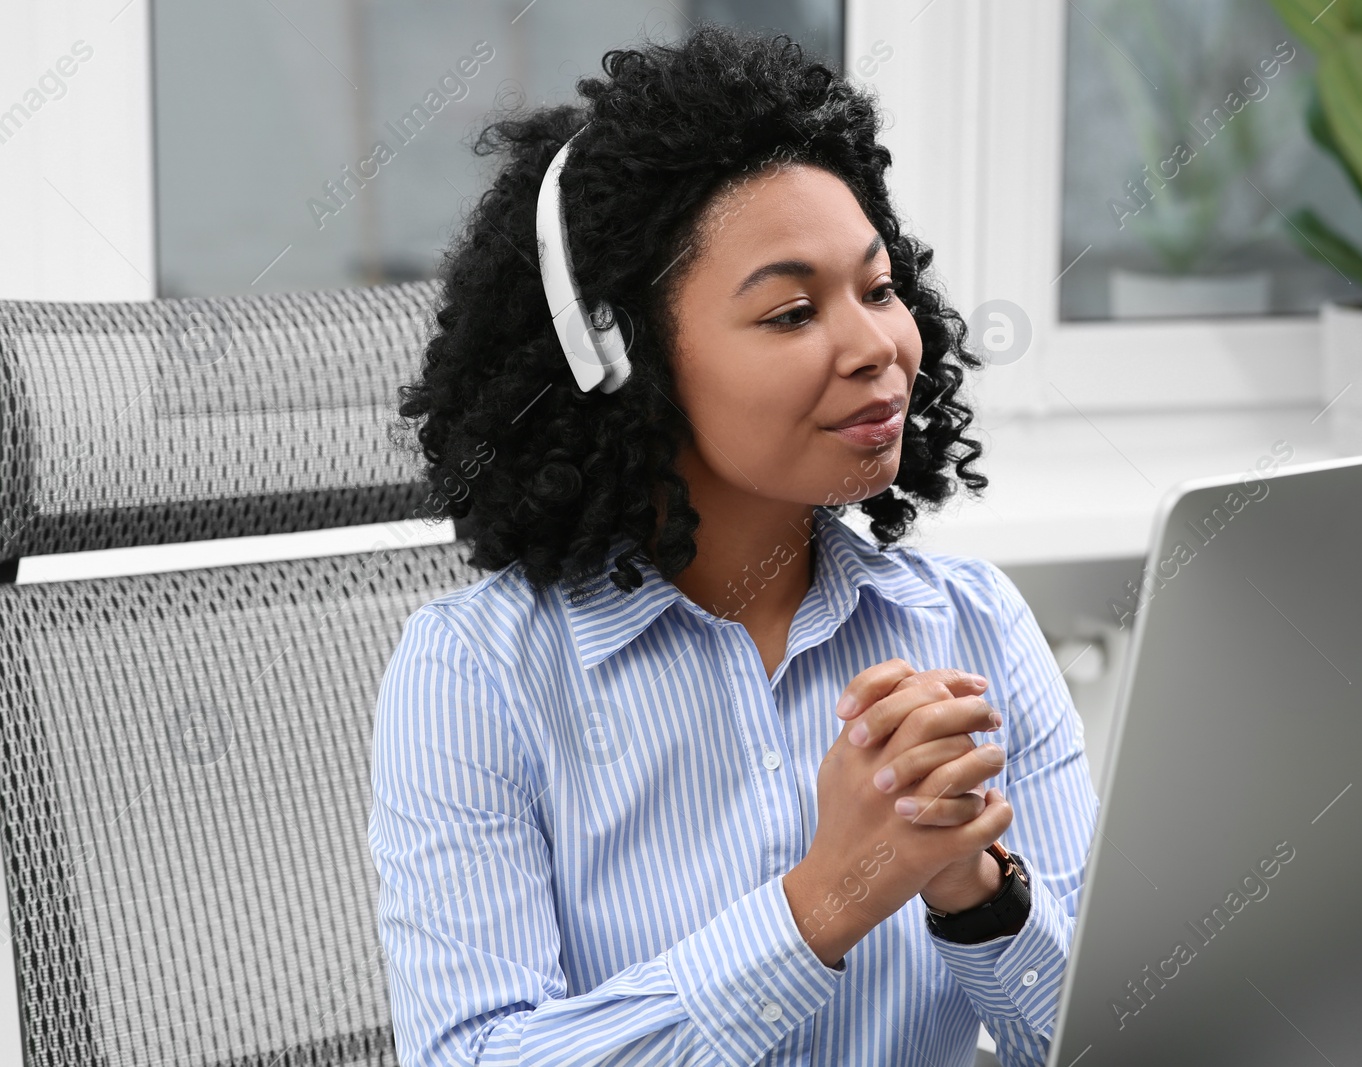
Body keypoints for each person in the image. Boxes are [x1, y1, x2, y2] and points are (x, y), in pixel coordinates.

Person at [368, 23, 1098, 1066]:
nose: (875, 347)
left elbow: (1110, 1036)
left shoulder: (969, 623)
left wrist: (975, 892)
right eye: (792, 311)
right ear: (617, 357)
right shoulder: (479, 677)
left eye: (879, 288)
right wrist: (821, 902)